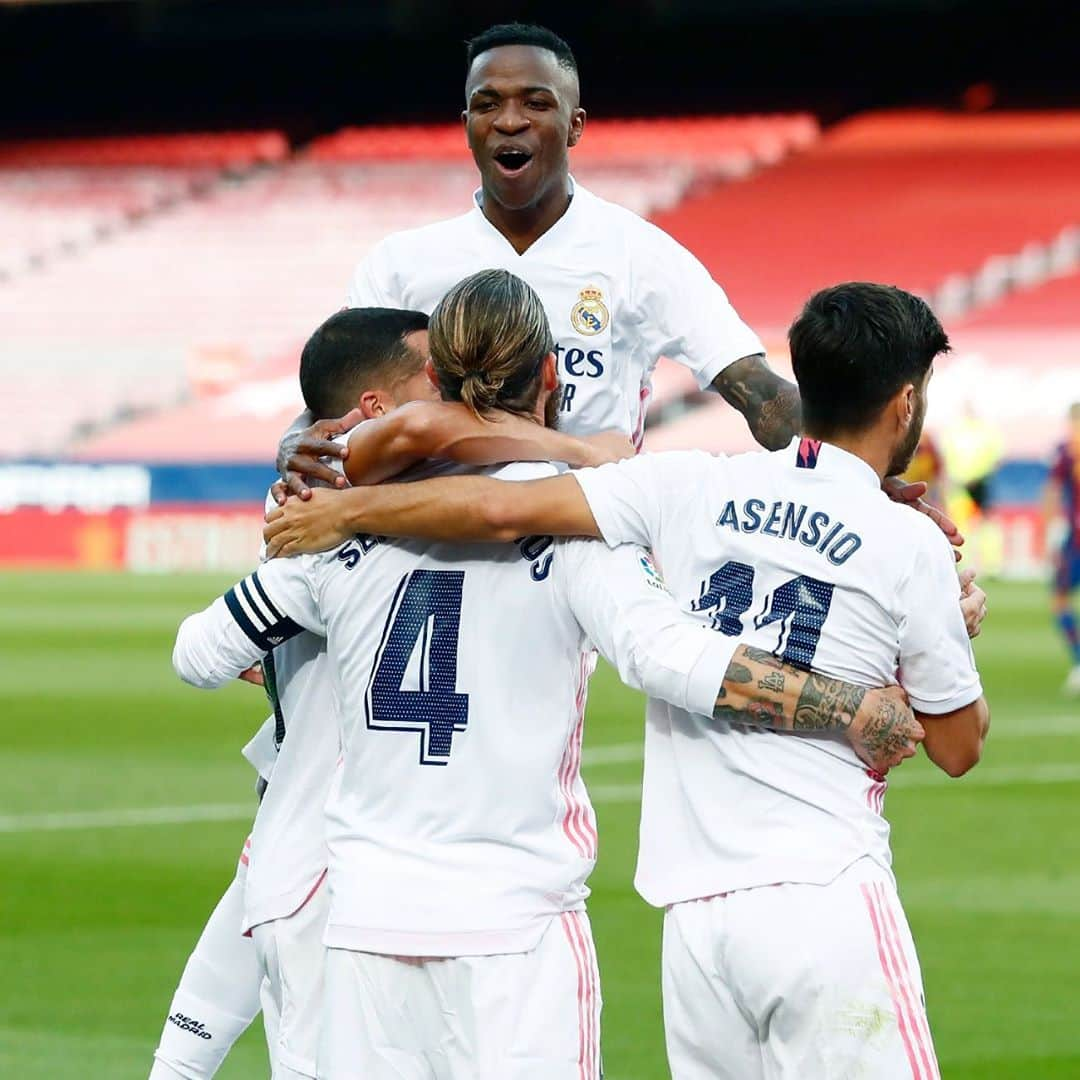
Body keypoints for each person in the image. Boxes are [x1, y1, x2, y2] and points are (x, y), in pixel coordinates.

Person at [177, 271, 922, 1080]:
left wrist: (291, 657)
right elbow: (660, 653)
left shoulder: (341, 520)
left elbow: (201, 651)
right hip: (515, 931)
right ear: (552, 380)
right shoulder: (573, 524)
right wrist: (844, 705)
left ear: (439, 384)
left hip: (366, 929)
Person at [150, 305, 627, 1080]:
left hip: (314, 865)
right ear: (379, 409)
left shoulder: (322, 509)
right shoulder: (372, 506)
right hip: (358, 881)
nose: (451, 394)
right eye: (431, 377)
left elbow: (200, 651)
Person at [1045, 401, 1080, 693]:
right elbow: (1053, 491)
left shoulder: (1067, 451)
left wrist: (1052, 530)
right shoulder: (1066, 453)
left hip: (1075, 540)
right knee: (1059, 599)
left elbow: (1052, 492)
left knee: (1059, 600)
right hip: (1074, 541)